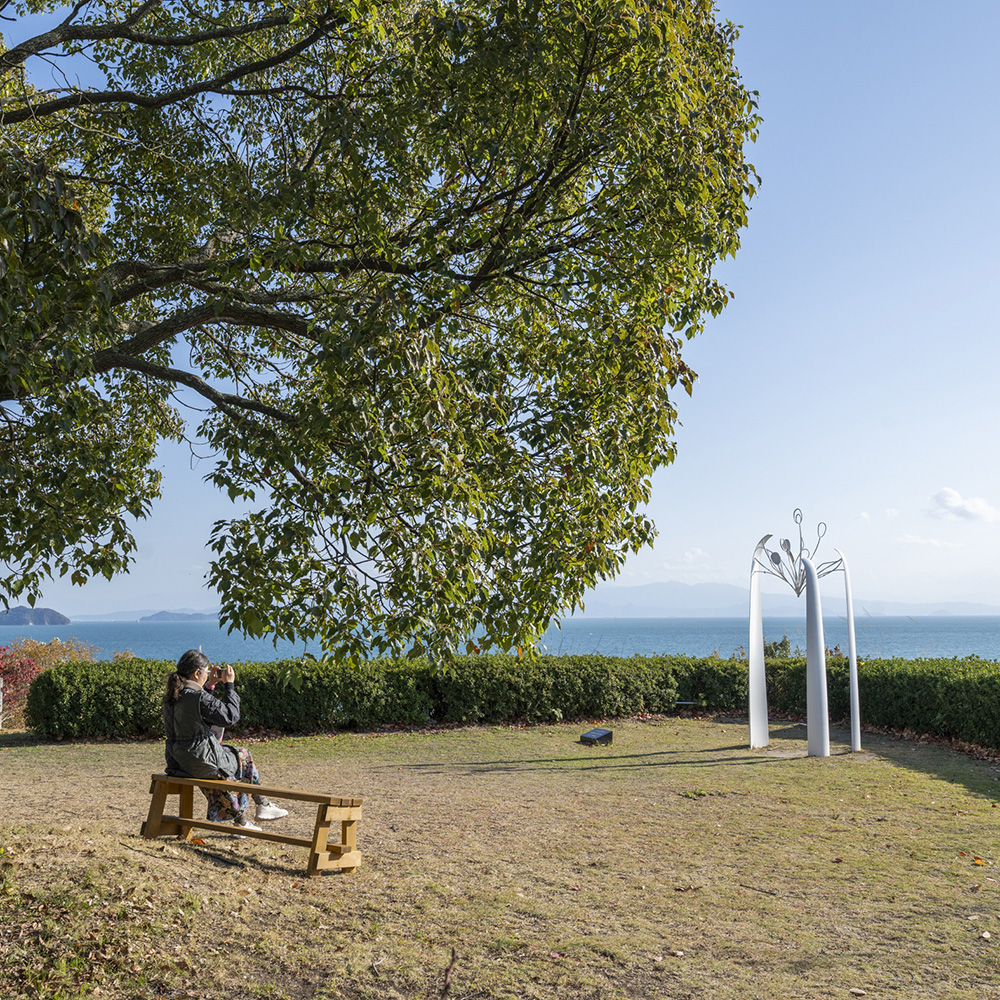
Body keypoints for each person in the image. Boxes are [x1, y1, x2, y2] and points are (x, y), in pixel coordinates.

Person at [163, 649, 288, 834]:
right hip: (200, 759)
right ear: (197, 673)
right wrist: (229, 685)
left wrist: (211, 686)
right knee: (242, 756)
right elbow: (229, 716)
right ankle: (262, 804)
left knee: (223, 770)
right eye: (206, 673)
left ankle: (243, 821)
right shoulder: (197, 696)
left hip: (178, 761)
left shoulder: (172, 695)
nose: (207, 676)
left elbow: (197, 710)